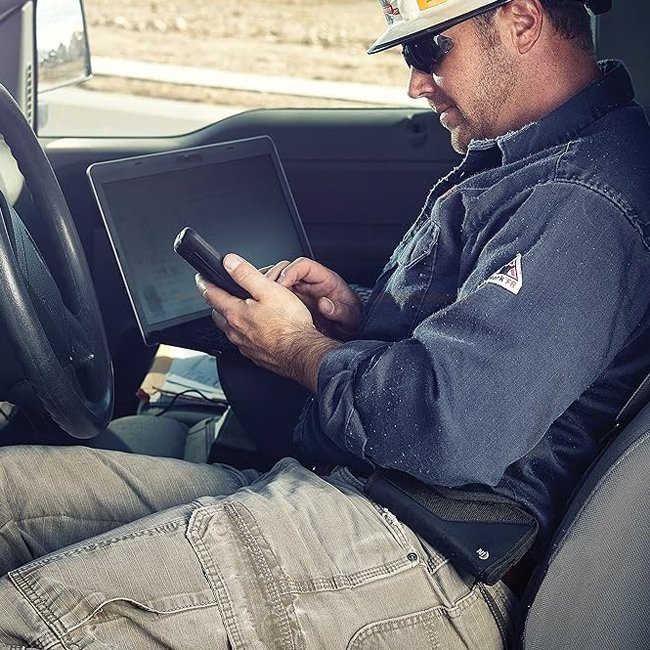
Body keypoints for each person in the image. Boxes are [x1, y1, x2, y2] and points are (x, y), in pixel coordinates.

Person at [1, 0, 649, 646]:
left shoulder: (582, 202)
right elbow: (483, 347)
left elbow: (449, 427)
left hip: (431, 548)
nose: (414, 84)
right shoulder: (529, 160)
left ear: (523, 22)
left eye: (428, 50)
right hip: (357, 490)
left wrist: (298, 346)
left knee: (27, 620)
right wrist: (357, 314)